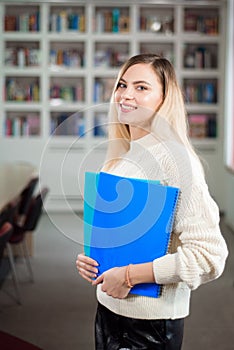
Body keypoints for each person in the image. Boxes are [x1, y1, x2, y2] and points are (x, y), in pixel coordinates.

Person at [76, 53, 228, 349]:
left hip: (149, 327)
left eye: (141, 87)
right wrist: (93, 262)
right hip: (109, 313)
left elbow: (209, 256)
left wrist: (130, 276)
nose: (126, 94)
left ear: (164, 99)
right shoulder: (122, 158)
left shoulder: (176, 160)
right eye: (122, 85)